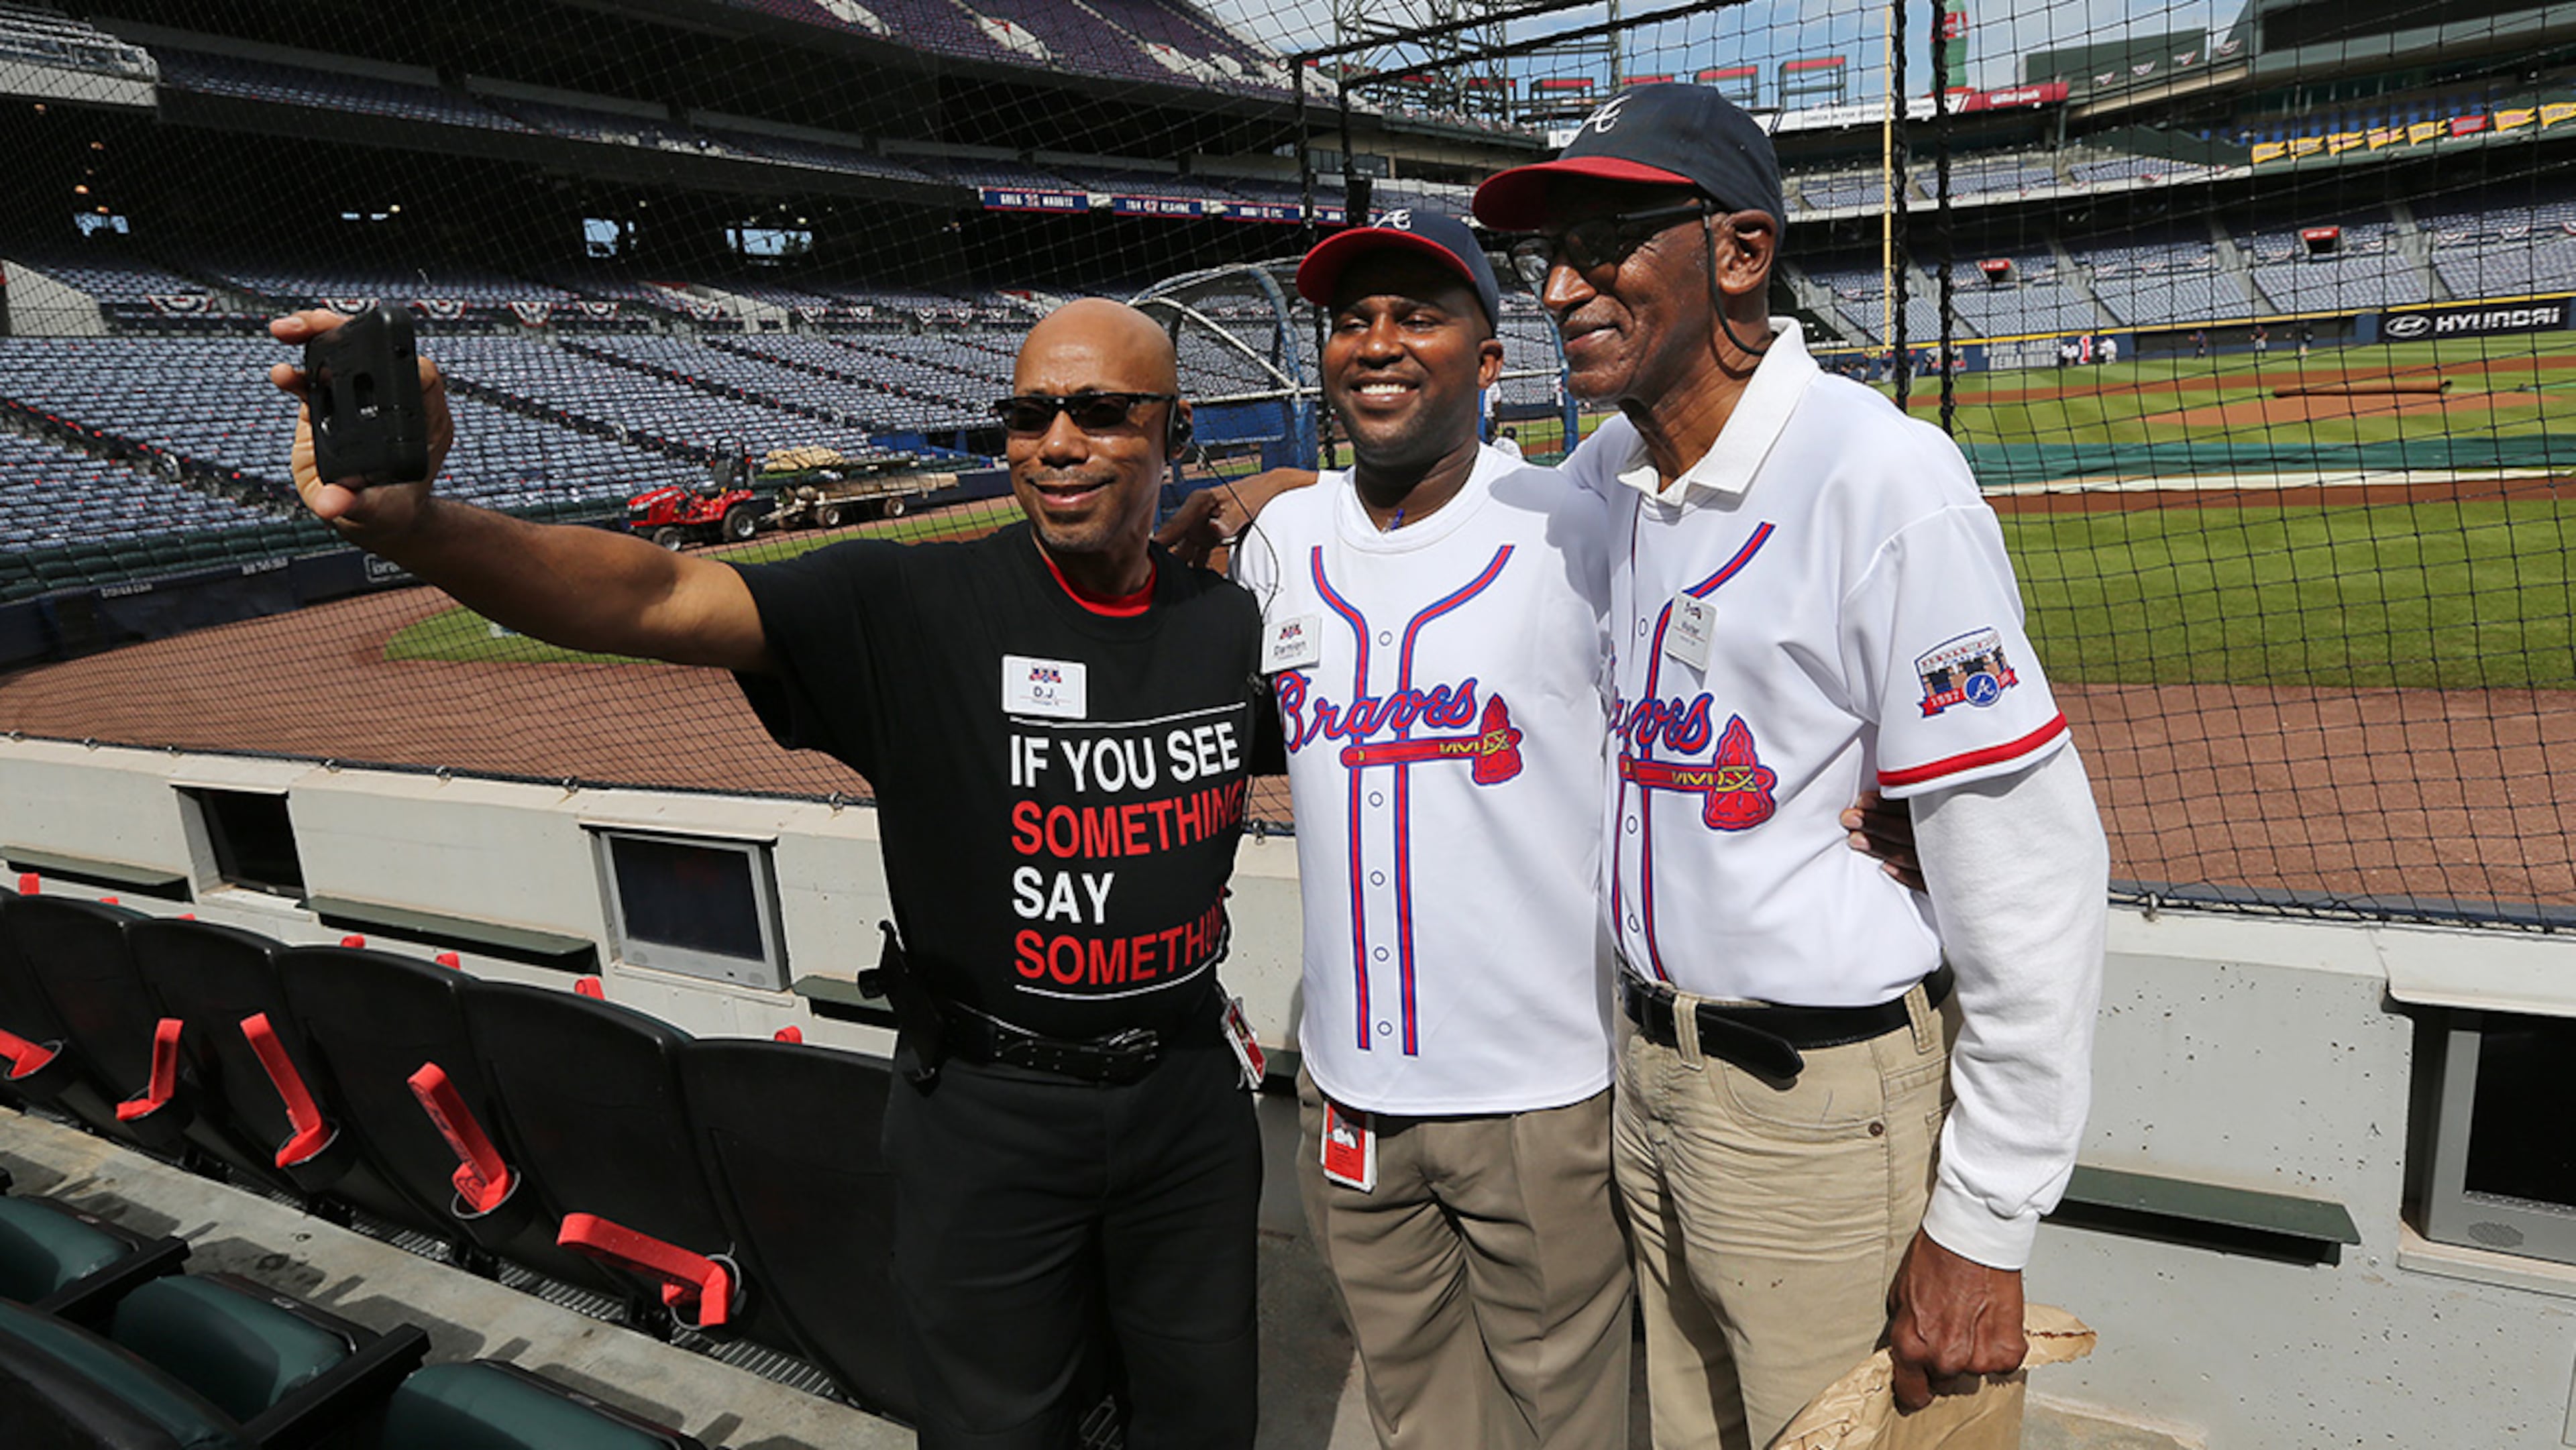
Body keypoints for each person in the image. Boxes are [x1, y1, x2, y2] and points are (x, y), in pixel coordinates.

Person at [266, 298, 1267, 1450]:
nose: (1056, 443)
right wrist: (418, 526)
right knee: (999, 1429)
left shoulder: (1228, 619)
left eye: (1100, 412)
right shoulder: (914, 605)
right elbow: (651, 595)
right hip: (992, 1111)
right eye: (1029, 413)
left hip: (1187, 1092)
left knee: (1203, 1418)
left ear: (1176, 430)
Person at [1474, 82, 2108, 1449]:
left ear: (1741, 254)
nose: (1560, 282)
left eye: (1607, 240)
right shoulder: (1616, 475)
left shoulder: (1883, 479)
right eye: (1551, 253)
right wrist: (1264, 497)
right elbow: (1473, 500)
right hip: (1657, 1094)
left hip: (1824, 1115)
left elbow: (2034, 869)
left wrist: (1986, 1217)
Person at [1232, 211, 1630, 1449]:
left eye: (1420, 314)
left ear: (1491, 353)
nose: (1381, 342)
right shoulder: (1282, 543)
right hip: (1348, 1096)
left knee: (1569, 1422)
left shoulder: (1577, 521)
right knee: (1418, 1418)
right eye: (1354, 319)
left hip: (1540, 1094)